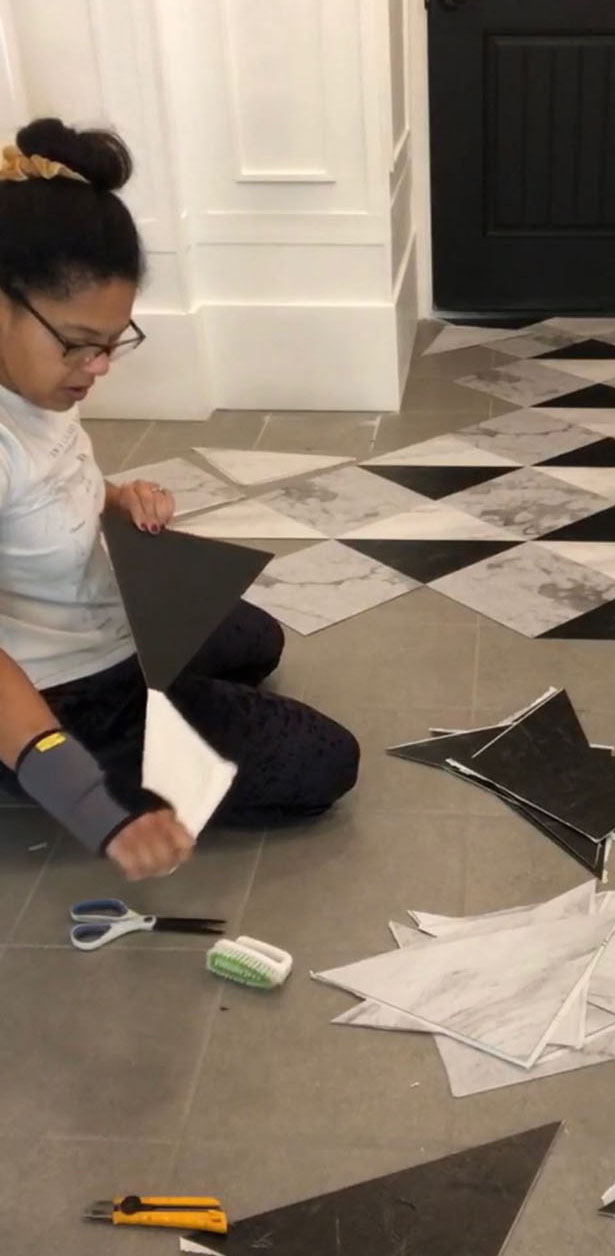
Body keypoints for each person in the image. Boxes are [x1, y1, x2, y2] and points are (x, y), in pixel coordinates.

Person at [0, 118, 359, 880]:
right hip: (62, 691)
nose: (98, 368)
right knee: (326, 762)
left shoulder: (34, 381)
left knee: (256, 640)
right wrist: (92, 805)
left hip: (103, 619)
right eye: (77, 343)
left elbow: (49, 495)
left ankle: (155, 698)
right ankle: (26, 761)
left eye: (112, 341)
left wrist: (119, 498)